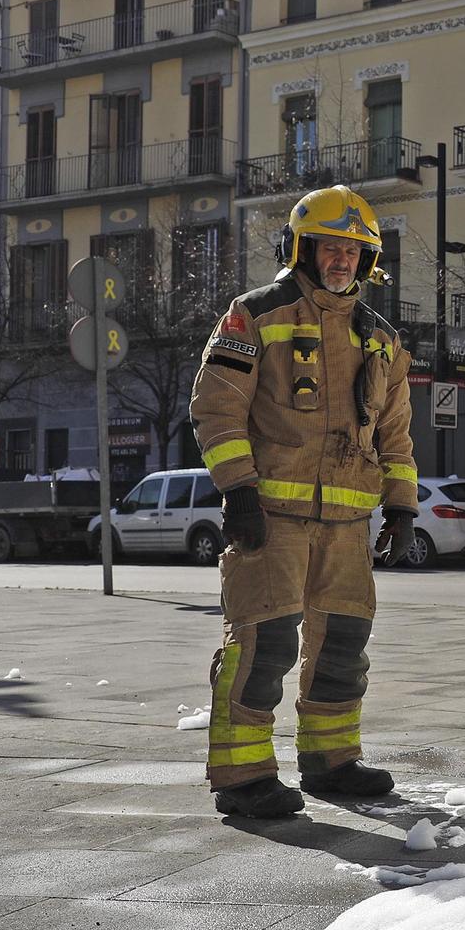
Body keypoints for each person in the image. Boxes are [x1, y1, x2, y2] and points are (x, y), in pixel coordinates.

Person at [189, 185, 419, 818]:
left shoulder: (382, 339)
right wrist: (237, 492)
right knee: (265, 645)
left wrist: (401, 507)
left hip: (347, 525)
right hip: (272, 518)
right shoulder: (255, 313)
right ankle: (242, 777)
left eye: (354, 250)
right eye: (329, 247)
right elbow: (216, 407)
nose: (342, 260)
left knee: (345, 645)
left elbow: (396, 433)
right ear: (302, 249)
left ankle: (331, 762)